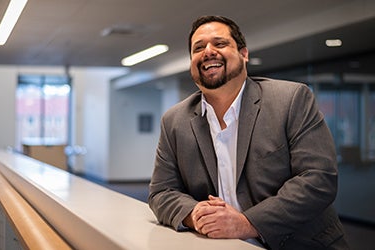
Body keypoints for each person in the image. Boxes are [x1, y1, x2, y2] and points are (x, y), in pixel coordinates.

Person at [148, 15, 349, 250]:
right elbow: (162, 191)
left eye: (220, 43)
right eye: (198, 47)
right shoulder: (174, 121)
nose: (208, 51)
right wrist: (195, 213)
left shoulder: (291, 99)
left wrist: (246, 223)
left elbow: (318, 178)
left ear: (244, 54)